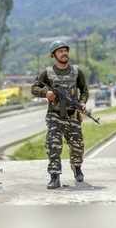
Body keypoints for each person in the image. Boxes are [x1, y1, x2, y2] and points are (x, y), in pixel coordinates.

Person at [31, 41, 89, 189]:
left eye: (65, 50)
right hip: (54, 115)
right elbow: (34, 88)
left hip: (72, 115)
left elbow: (84, 90)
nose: (64, 53)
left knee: (77, 146)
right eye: (60, 51)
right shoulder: (48, 73)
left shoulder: (76, 72)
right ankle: (54, 176)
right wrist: (46, 93)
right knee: (53, 145)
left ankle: (77, 168)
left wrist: (82, 103)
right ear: (54, 55)